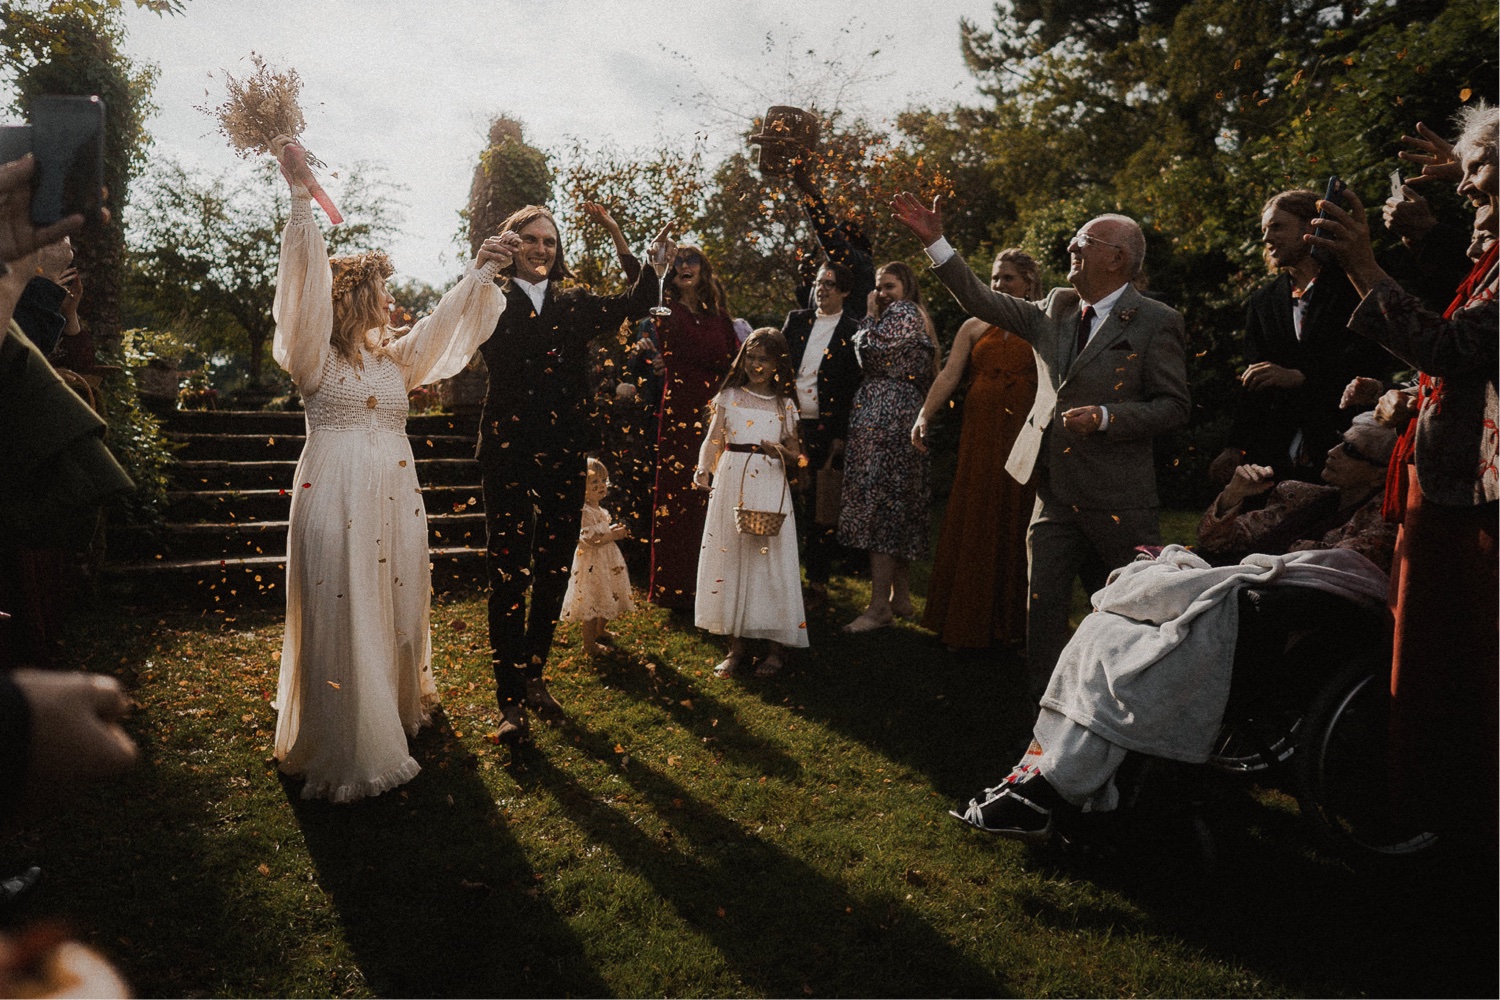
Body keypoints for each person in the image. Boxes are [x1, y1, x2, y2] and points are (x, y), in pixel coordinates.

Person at [952, 414, 1398, 842]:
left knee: (1140, 658)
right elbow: (1215, 540)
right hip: (1228, 596)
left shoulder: (1378, 526)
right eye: (1341, 439)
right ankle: (1039, 774)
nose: (1335, 449)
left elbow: (1327, 576)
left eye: (1352, 449)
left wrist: (1234, 579)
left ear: (1381, 474)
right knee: (1105, 633)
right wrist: (1235, 495)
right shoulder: (1301, 495)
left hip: (1264, 621)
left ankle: (1058, 789)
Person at [269, 138, 510, 801]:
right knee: (341, 598)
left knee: (394, 597)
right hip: (334, 492)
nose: (391, 299)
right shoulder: (316, 359)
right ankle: (347, 735)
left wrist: (481, 271)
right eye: (382, 289)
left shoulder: (393, 359)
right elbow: (301, 288)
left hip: (395, 497)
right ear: (354, 296)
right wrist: (299, 200)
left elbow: (441, 327)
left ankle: (395, 710)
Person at [891, 194, 1190, 701]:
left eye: (1085, 240)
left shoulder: (1156, 320)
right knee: (1043, 619)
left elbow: (1174, 406)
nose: (1071, 245)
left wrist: (1106, 417)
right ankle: (1044, 727)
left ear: (1117, 257)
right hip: (1051, 495)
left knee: (1134, 615)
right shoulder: (1056, 307)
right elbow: (982, 302)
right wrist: (934, 243)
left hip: (1119, 501)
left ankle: (1131, 717)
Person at [1306, 102, 1498, 843]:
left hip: (1482, 501)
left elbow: (1451, 347)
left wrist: (1361, 264)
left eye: (1478, 168)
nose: (1464, 186)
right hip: (1448, 485)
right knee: (1429, 658)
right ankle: (1434, 811)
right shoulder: (1488, 249)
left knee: (1470, 667)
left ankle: (1465, 824)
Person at [476, 203, 664, 742]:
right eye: (531, 240)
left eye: (549, 242)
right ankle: (508, 700)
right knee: (508, 568)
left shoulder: (575, 303)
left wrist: (620, 237)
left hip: (563, 452)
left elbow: (642, 301)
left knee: (555, 563)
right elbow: (453, 322)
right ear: (512, 244)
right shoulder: (489, 297)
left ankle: (534, 673)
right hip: (508, 450)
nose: (541, 249)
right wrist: (483, 267)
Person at [1208, 189, 1387, 484]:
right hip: (1277, 450)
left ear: (1310, 227)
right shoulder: (1263, 302)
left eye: (1277, 226)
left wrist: (1302, 377)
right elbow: (1254, 380)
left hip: (1345, 442)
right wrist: (1234, 446)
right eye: (1264, 229)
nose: (1266, 238)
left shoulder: (1352, 286)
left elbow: (1371, 356)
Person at [913, 248, 1041, 651]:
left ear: (1029, 282)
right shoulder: (973, 325)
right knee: (976, 510)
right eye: (996, 278)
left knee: (1016, 515)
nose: (1000, 285)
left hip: (1023, 428)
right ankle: (965, 620)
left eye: (1008, 279)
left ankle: (1013, 625)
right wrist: (923, 416)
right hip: (980, 431)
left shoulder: (1043, 320)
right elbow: (950, 374)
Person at [692, 328, 807, 677]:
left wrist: (782, 452)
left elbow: (798, 456)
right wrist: (702, 470)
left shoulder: (784, 404)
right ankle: (735, 648)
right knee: (730, 554)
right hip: (732, 479)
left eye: (765, 360)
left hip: (769, 480)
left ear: (777, 365)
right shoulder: (729, 396)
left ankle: (774, 648)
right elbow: (714, 439)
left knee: (768, 559)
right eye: (752, 357)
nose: (757, 365)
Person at [837, 261, 937, 633]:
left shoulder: (903, 312)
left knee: (880, 506)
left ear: (906, 288)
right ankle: (902, 598)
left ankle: (879, 607)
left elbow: (871, 351)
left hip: (886, 416)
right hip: (898, 412)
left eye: (889, 286)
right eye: (879, 286)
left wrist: (866, 316)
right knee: (898, 504)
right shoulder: (912, 315)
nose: (881, 293)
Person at [647, 246, 738, 611]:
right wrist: (656, 267)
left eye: (692, 261)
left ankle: (716, 585)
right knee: (679, 495)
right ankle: (675, 588)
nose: (685, 267)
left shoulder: (721, 317)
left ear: (704, 269)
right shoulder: (666, 308)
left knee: (715, 491)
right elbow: (643, 291)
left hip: (716, 411)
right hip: (680, 411)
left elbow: (735, 363)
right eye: (679, 262)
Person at [779, 261, 862, 610]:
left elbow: (852, 388)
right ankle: (780, 575)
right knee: (781, 500)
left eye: (830, 284)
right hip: (787, 425)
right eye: (818, 282)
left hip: (824, 430)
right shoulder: (796, 321)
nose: (822, 288)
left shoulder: (853, 330)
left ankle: (816, 583)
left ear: (844, 291)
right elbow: (780, 368)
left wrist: (841, 435)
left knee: (819, 509)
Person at [560, 457, 634, 657]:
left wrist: (611, 529)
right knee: (592, 599)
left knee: (608, 592)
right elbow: (588, 539)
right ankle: (589, 644)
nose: (601, 486)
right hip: (592, 562)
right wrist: (612, 535)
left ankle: (601, 630)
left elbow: (599, 531)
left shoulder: (600, 510)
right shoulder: (584, 512)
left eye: (604, 481)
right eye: (595, 482)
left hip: (607, 561)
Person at [790, 162, 876, 317]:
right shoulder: (833, 276)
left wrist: (812, 196)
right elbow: (813, 313)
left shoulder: (860, 262)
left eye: (842, 237)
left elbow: (832, 241)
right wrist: (808, 282)